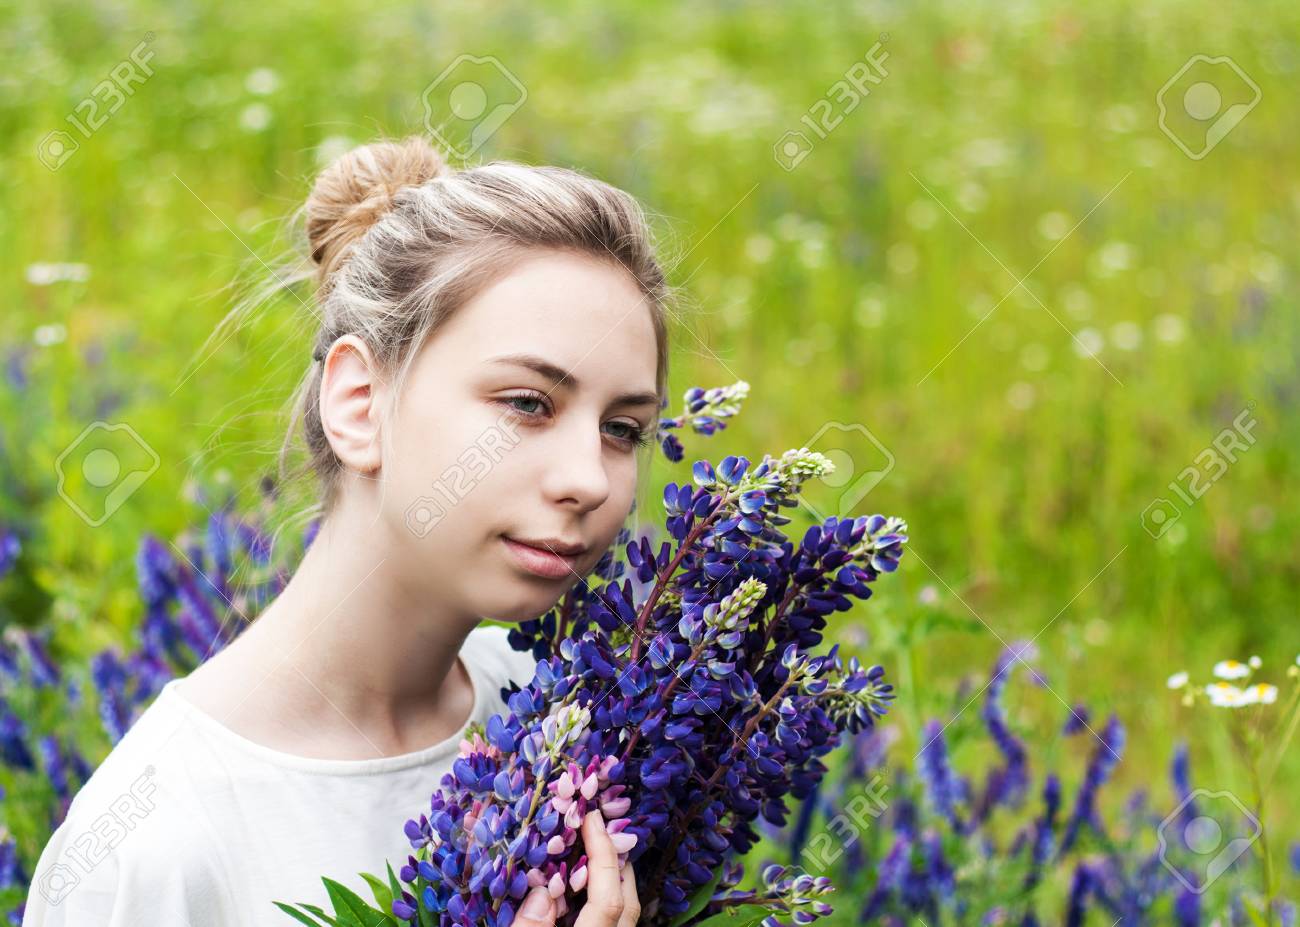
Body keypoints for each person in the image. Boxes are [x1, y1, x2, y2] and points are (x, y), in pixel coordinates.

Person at [23, 135, 674, 926]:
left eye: (623, 428)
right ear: (360, 404)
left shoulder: (558, 716)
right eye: (528, 403)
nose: (590, 478)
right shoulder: (153, 845)